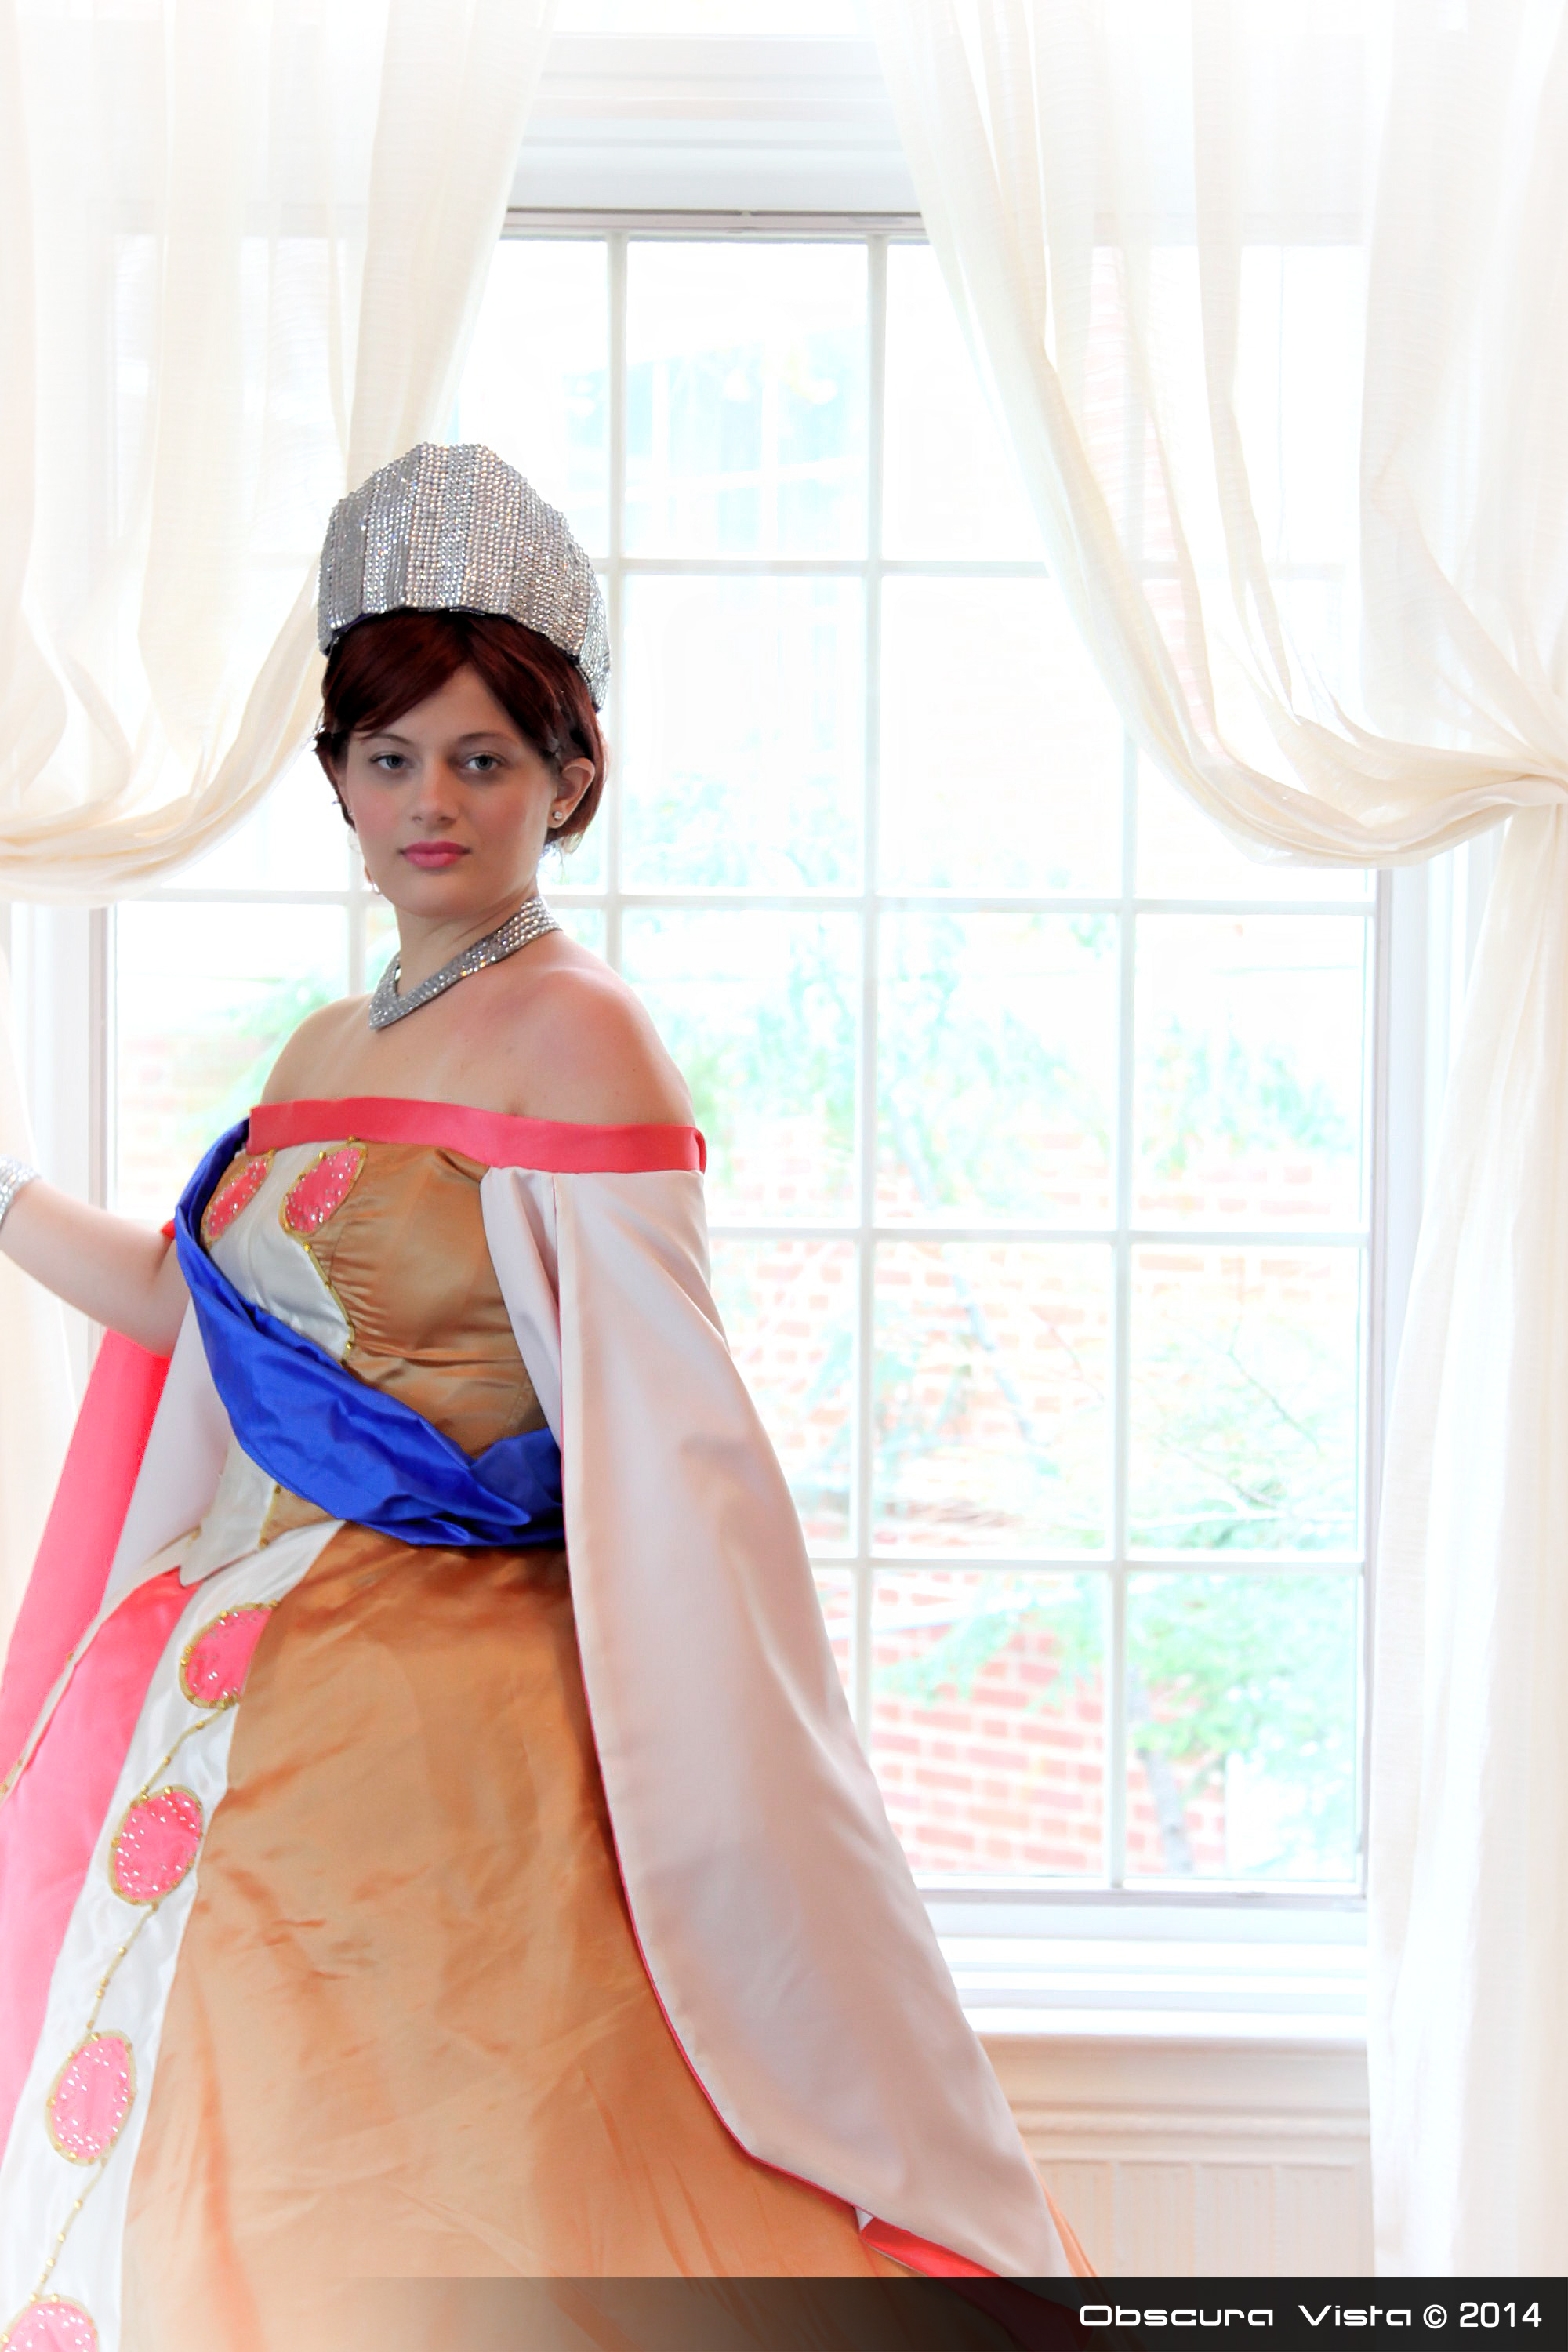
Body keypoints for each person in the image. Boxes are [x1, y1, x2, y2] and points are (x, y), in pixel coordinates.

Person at [0, 445, 1090, 2352]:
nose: (433, 802)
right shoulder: (323, 1045)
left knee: (439, 2197)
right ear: (336, 781)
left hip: (457, 1733)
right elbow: (195, 1313)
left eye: (483, 758)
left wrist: (742, 1754)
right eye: (391, 757)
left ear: (568, 779)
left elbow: (675, 1442)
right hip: (239, 1680)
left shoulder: (584, 1038)